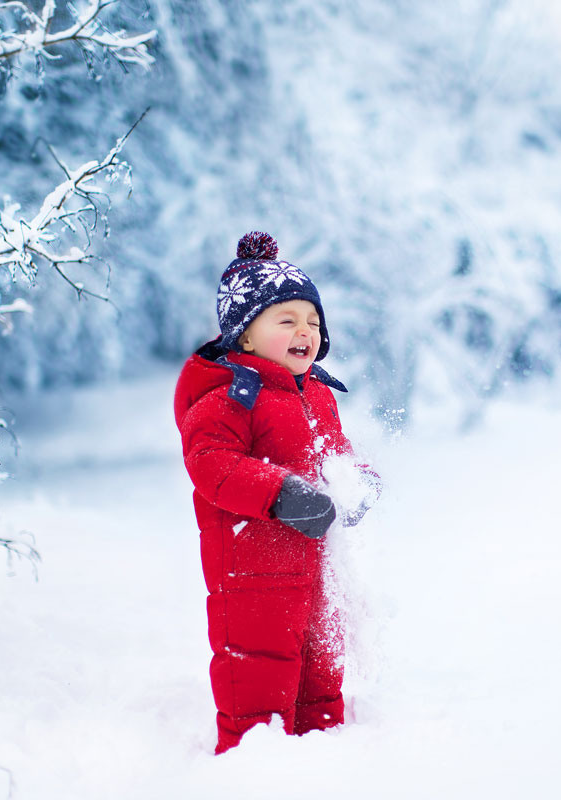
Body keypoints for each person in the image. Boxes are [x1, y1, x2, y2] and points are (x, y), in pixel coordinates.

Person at [173, 231, 377, 754]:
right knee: (258, 685)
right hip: (253, 574)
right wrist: (283, 493)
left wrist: (356, 482)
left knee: (320, 677)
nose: (304, 331)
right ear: (243, 335)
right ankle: (250, 774)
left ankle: (325, 764)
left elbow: (336, 455)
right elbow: (212, 464)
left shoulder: (317, 396)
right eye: (286, 320)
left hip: (318, 567)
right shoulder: (227, 397)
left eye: (312, 321)